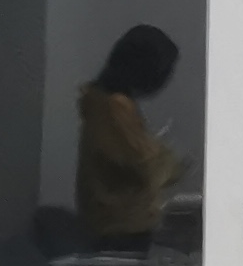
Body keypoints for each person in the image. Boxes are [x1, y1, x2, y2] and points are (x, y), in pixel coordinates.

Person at [75, 23, 183, 250]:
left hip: (111, 225)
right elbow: (143, 164)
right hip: (120, 229)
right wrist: (173, 163)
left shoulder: (102, 102)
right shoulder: (114, 107)